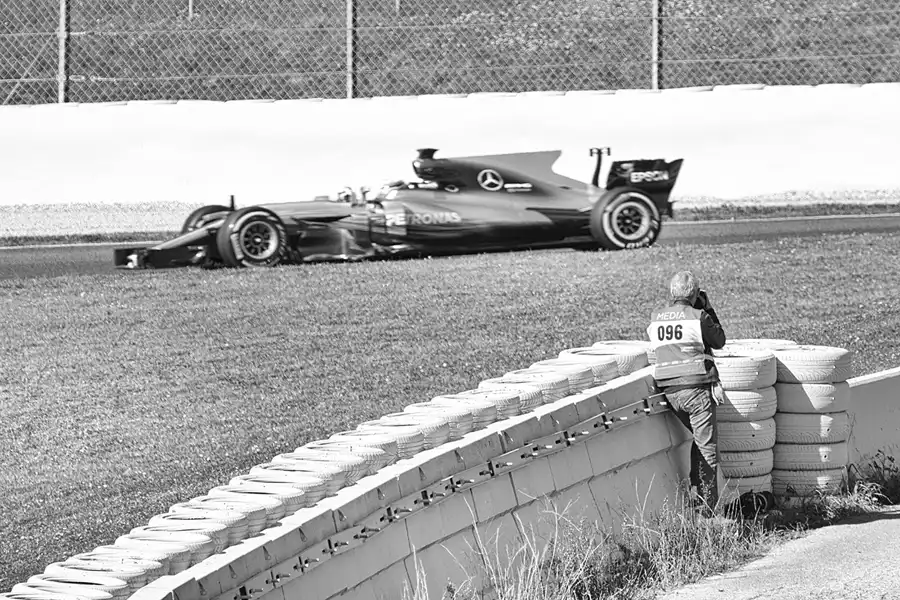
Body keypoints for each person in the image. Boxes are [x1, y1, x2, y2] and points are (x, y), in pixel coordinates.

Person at [646, 271, 726, 514]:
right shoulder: (698, 316)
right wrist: (709, 309)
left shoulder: (655, 317)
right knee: (707, 447)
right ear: (694, 294)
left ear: (672, 294)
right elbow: (719, 340)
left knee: (699, 441)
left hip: (668, 390)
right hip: (696, 388)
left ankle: (696, 494)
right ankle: (707, 510)